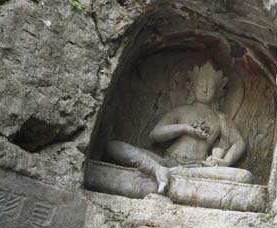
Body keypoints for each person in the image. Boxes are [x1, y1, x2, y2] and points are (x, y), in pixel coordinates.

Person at [106, 61, 253, 194]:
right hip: (165, 161)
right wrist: (185, 128)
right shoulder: (180, 111)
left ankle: (170, 175)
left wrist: (225, 161)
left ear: (218, 92)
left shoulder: (221, 118)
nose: (205, 89)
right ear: (192, 86)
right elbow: (155, 135)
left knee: (245, 176)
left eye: (210, 86)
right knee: (114, 146)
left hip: (197, 168)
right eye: (201, 85)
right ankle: (156, 169)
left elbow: (239, 143)